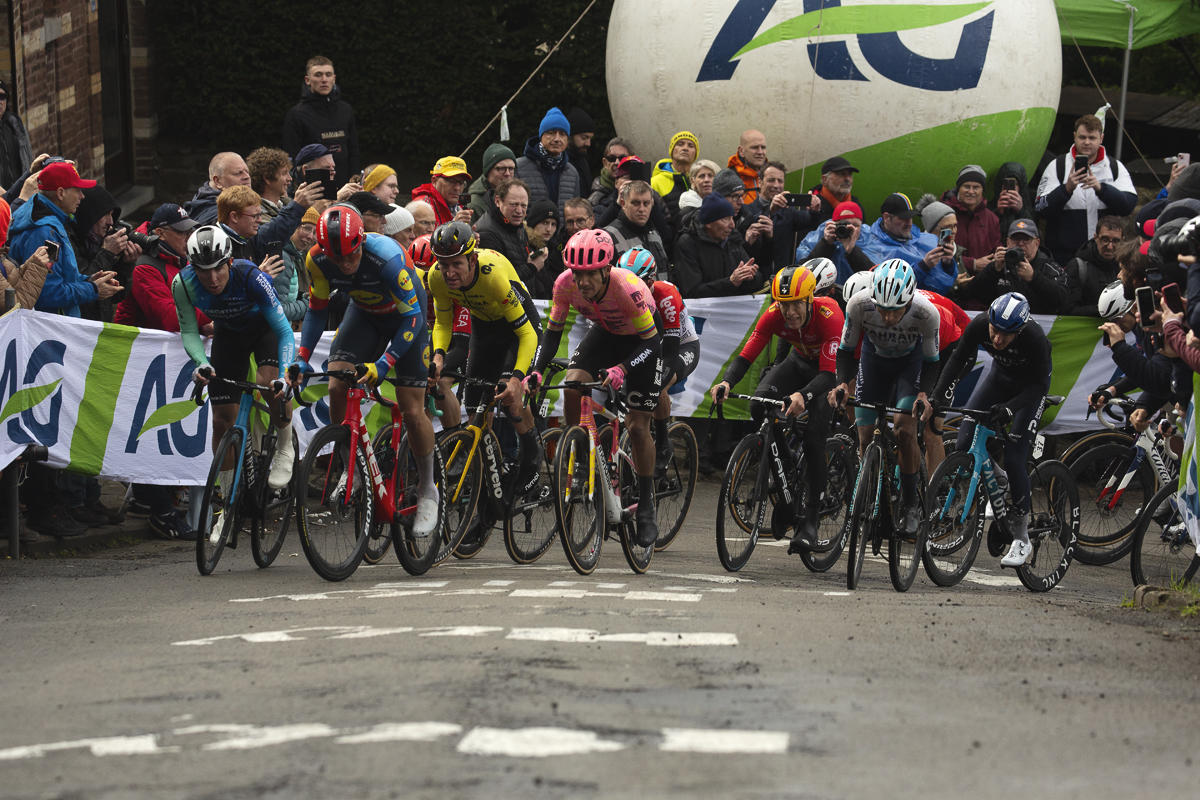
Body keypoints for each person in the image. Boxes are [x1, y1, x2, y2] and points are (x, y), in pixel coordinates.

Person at [290, 205, 440, 534]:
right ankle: (352, 468)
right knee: (335, 385)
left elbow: (413, 318)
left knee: (412, 410)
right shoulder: (316, 259)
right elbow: (317, 309)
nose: (344, 264)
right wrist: (302, 356)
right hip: (365, 314)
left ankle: (429, 488)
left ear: (361, 241)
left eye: (351, 256)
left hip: (405, 319)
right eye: (337, 259)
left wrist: (385, 363)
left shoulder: (386, 258)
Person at [526, 229, 662, 547]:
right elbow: (552, 334)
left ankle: (646, 504)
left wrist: (623, 368)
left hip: (644, 342)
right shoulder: (564, 285)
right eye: (577, 274)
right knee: (572, 385)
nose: (582, 282)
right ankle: (579, 452)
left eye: (589, 275)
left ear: (605, 269)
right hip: (606, 333)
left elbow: (652, 343)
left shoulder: (626, 287)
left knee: (638, 425)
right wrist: (536, 371)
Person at [713, 264, 843, 551]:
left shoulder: (829, 315)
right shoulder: (774, 315)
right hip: (797, 363)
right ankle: (786, 469)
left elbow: (829, 374)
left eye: (796, 303)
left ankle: (809, 522)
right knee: (760, 406)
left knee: (813, 439)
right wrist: (726, 383)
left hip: (826, 374)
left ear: (810, 299)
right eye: (784, 304)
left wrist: (803, 396)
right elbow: (748, 353)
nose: (790, 312)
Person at [176, 226, 297, 506]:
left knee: (268, 380)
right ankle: (228, 499)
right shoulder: (183, 283)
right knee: (221, 419)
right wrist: (201, 363)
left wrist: (284, 374)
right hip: (229, 334)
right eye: (203, 271)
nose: (212, 278)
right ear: (192, 267)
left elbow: (284, 332)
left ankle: (285, 446)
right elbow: (189, 331)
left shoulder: (251, 277)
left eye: (218, 268)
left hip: (265, 329)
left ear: (230, 261)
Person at [931, 293, 1053, 568]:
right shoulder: (980, 324)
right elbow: (958, 359)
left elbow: (1038, 387)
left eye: (1005, 336)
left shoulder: (1034, 338)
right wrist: (937, 395)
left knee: (1013, 457)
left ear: (1019, 331)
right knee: (963, 443)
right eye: (994, 332)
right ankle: (998, 481)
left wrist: (1011, 408)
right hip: (999, 377)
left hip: (1029, 390)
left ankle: (1022, 538)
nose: (997, 340)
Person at [425, 222, 544, 503]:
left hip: (519, 329)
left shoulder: (493, 278)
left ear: (472, 258)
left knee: (508, 395)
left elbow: (527, 334)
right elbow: (443, 321)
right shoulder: (436, 277)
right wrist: (439, 356)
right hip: (485, 329)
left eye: (456, 264)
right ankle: (487, 484)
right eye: (444, 265)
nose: (450, 273)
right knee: (476, 409)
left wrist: (516, 379)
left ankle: (532, 456)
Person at [112, 204, 208, 540]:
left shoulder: (186, 264)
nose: (187, 236)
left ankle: (163, 497)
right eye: (180, 231)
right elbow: (170, 317)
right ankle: (160, 510)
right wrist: (210, 319)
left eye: (188, 229)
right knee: (144, 435)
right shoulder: (145, 268)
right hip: (137, 363)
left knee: (174, 428)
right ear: (161, 233)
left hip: (170, 363)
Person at [831, 260, 940, 536]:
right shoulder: (858, 304)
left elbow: (931, 361)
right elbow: (845, 350)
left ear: (909, 300)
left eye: (895, 310)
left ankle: (912, 505)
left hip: (910, 365)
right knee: (865, 435)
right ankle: (872, 494)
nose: (889, 317)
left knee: (904, 429)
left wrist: (924, 396)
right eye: (882, 309)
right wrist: (842, 383)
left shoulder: (927, 313)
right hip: (874, 361)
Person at [621, 247, 702, 475]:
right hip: (648, 344)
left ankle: (664, 442)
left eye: (637, 282)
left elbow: (669, 352)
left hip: (680, 347)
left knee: (658, 384)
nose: (630, 288)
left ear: (651, 280)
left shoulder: (666, 295)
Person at [9, 163, 123, 318]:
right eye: (77, 190)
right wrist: (93, 289)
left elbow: (61, 276)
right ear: (61, 193)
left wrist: (89, 279)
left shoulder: (49, 222)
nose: (82, 196)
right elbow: (48, 293)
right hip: (49, 331)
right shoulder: (44, 232)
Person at [1035, 114, 1137, 266]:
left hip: (1104, 255)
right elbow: (1040, 209)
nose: (1087, 142)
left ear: (1101, 138)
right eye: (1082, 137)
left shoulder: (1114, 167)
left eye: (1092, 138)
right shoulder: (1057, 166)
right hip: (1064, 257)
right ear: (1074, 136)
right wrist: (1066, 189)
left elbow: (1128, 206)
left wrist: (1101, 189)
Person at [963, 218, 1068, 314]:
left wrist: (1034, 278)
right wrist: (993, 270)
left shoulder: (1050, 267)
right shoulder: (999, 265)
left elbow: (1061, 301)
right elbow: (973, 293)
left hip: (1039, 327)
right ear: (1008, 242)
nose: (1021, 243)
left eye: (1026, 239)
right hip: (1002, 328)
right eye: (1016, 239)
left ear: (1037, 243)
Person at [282, 56, 360, 182]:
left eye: (328, 75)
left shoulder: (346, 110)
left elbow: (353, 151)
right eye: (318, 75)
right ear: (307, 80)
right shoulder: (296, 114)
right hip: (314, 189)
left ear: (334, 79)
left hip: (346, 186)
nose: (324, 80)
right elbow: (291, 159)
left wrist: (355, 177)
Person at [675, 194, 759, 298]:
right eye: (726, 219)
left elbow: (757, 280)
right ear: (708, 223)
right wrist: (730, 282)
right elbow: (692, 291)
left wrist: (750, 277)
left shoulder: (733, 238)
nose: (732, 225)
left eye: (732, 218)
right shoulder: (687, 243)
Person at [744, 160, 820, 275]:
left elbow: (809, 221)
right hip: (755, 280)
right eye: (771, 180)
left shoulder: (788, 212)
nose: (776, 185)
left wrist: (815, 210)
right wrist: (770, 210)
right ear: (760, 182)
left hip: (783, 280)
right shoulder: (747, 210)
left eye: (780, 181)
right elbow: (752, 224)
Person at [217, 183, 319, 265]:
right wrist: (258, 278)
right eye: (255, 216)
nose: (260, 220)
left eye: (260, 214)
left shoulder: (248, 239)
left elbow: (275, 231)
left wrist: (297, 206)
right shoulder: (216, 248)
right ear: (234, 217)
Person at [476, 177, 545, 287]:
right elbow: (498, 281)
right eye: (513, 204)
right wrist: (532, 267)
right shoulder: (486, 233)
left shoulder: (517, 224)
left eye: (523, 206)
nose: (519, 211)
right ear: (498, 201)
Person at [794, 200, 879, 288]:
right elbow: (802, 274)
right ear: (833, 224)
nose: (850, 229)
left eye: (855, 225)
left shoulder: (870, 240)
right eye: (844, 225)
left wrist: (852, 250)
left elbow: (876, 278)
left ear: (862, 225)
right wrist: (826, 243)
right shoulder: (816, 238)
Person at [516, 108, 581, 219]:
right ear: (541, 136)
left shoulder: (572, 172)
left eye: (562, 134)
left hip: (562, 235)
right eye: (551, 133)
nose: (557, 139)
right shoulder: (519, 167)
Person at [941, 164, 1000, 275]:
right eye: (966, 186)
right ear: (959, 189)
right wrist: (971, 264)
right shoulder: (946, 216)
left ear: (982, 190)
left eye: (976, 187)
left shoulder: (992, 219)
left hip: (983, 280)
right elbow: (942, 251)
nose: (971, 191)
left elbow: (996, 249)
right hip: (953, 280)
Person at [1061, 216, 1126, 317]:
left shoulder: (1127, 266)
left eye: (1116, 241)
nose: (1110, 246)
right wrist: (1101, 309)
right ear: (1095, 238)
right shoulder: (1078, 267)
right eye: (1105, 239)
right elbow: (1067, 309)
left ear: (1122, 240)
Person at [605, 180, 669, 277]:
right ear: (623, 203)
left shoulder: (655, 233)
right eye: (635, 203)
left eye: (646, 203)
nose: (642, 209)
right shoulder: (609, 237)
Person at [869, 192, 939, 266]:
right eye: (903, 218)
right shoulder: (874, 248)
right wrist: (923, 267)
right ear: (886, 218)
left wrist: (947, 263)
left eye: (910, 217)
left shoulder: (929, 239)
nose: (909, 223)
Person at [912, 196, 963, 297]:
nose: (953, 231)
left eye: (955, 225)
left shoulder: (956, 251)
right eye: (947, 227)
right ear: (932, 229)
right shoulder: (916, 250)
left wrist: (948, 265)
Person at [186, 152, 251, 226]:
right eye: (238, 173)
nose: (247, 176)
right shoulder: (219, 218)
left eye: (247, 171)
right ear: (217, 181)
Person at [650, 131, 699, 227]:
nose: (685, 148)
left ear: (695, 154)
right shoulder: (655, 182)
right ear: (672, 150)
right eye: (680, 144)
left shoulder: (700, 181)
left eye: (690, 145)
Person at [411, 157, 474, 226]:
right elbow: (422, 236)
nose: (457, 188)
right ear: (434, 181)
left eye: (461, 182)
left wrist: (472, 236)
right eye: (451, 181)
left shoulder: (461, 207)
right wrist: (453, 226)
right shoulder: (423, 206)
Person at [466, 143, 517, 223]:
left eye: (511, 168)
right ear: (488, 171)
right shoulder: (474, 205)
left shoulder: (516, 197)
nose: (507, 173)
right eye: (501, 168)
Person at [0, 79, 32, 192]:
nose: (0, 101)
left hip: (19, 194)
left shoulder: (16, 126)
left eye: (2, 97)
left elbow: (28, 158)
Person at [809, 156, 861, 224]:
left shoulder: (855, 204)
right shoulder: (812, 205)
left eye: (850, 174)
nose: (847, 178)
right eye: (841, 174)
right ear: (825, 179)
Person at [247, 147, 293, 222]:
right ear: (267, 178)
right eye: (284, 173)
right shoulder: (257, 214)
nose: (290, 178)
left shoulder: (287, 204)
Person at [589, 137, 635, 212]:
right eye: (612, 158)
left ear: (632, 161)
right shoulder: (595, 199)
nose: (617, 162)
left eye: (622, 158)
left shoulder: (646, 189)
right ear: (605, 163)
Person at [727, 130, 768, 204]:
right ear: (741, 151)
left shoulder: (771, 176)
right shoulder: (729, 178)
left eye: (763, 147)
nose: (760, 152)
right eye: (755, 147)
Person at [566, 107, 596, 195]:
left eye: (590, 138)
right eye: (584, 137)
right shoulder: (560, 162)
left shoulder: (582, 161)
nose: (588, 143)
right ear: (570, 136)